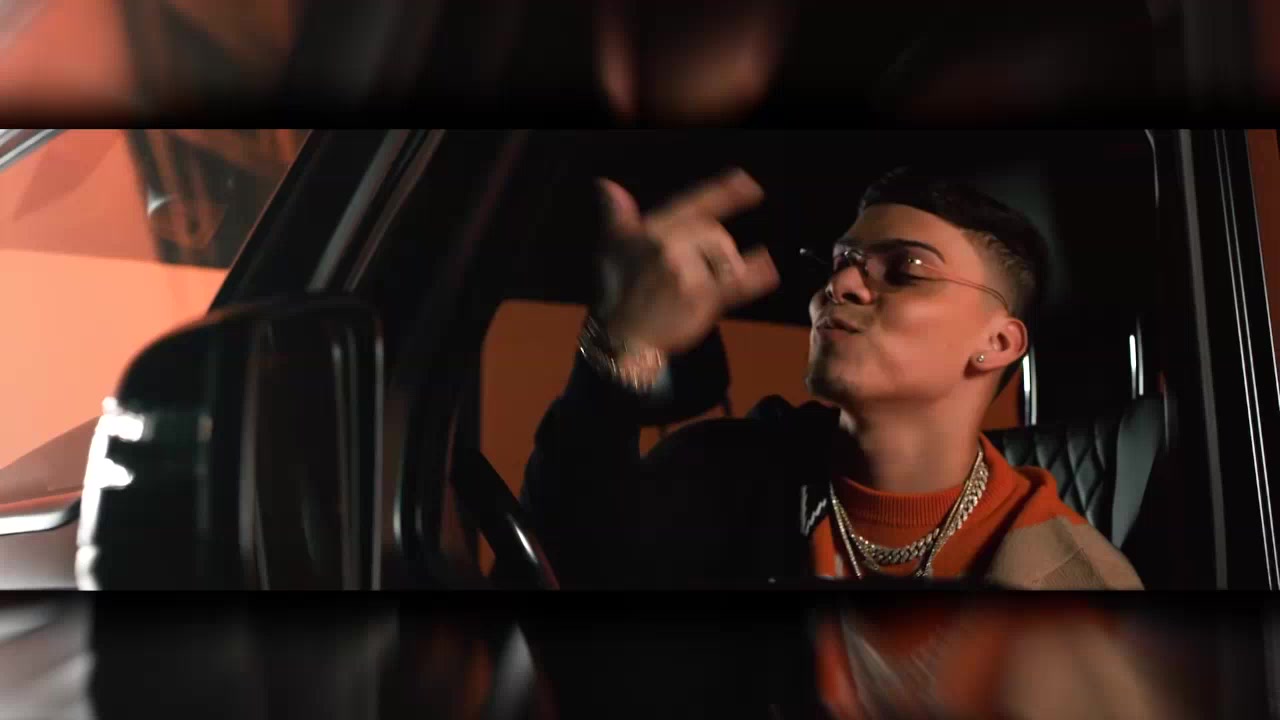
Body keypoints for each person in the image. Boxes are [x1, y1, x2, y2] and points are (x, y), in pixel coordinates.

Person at [520, 165, 1153, 718]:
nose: (840, 286)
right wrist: (622, 346)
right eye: (841, 262)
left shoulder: (1069, 585)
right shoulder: (729, 471)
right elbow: (562, 579)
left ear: (998, 342)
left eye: (906, 270)